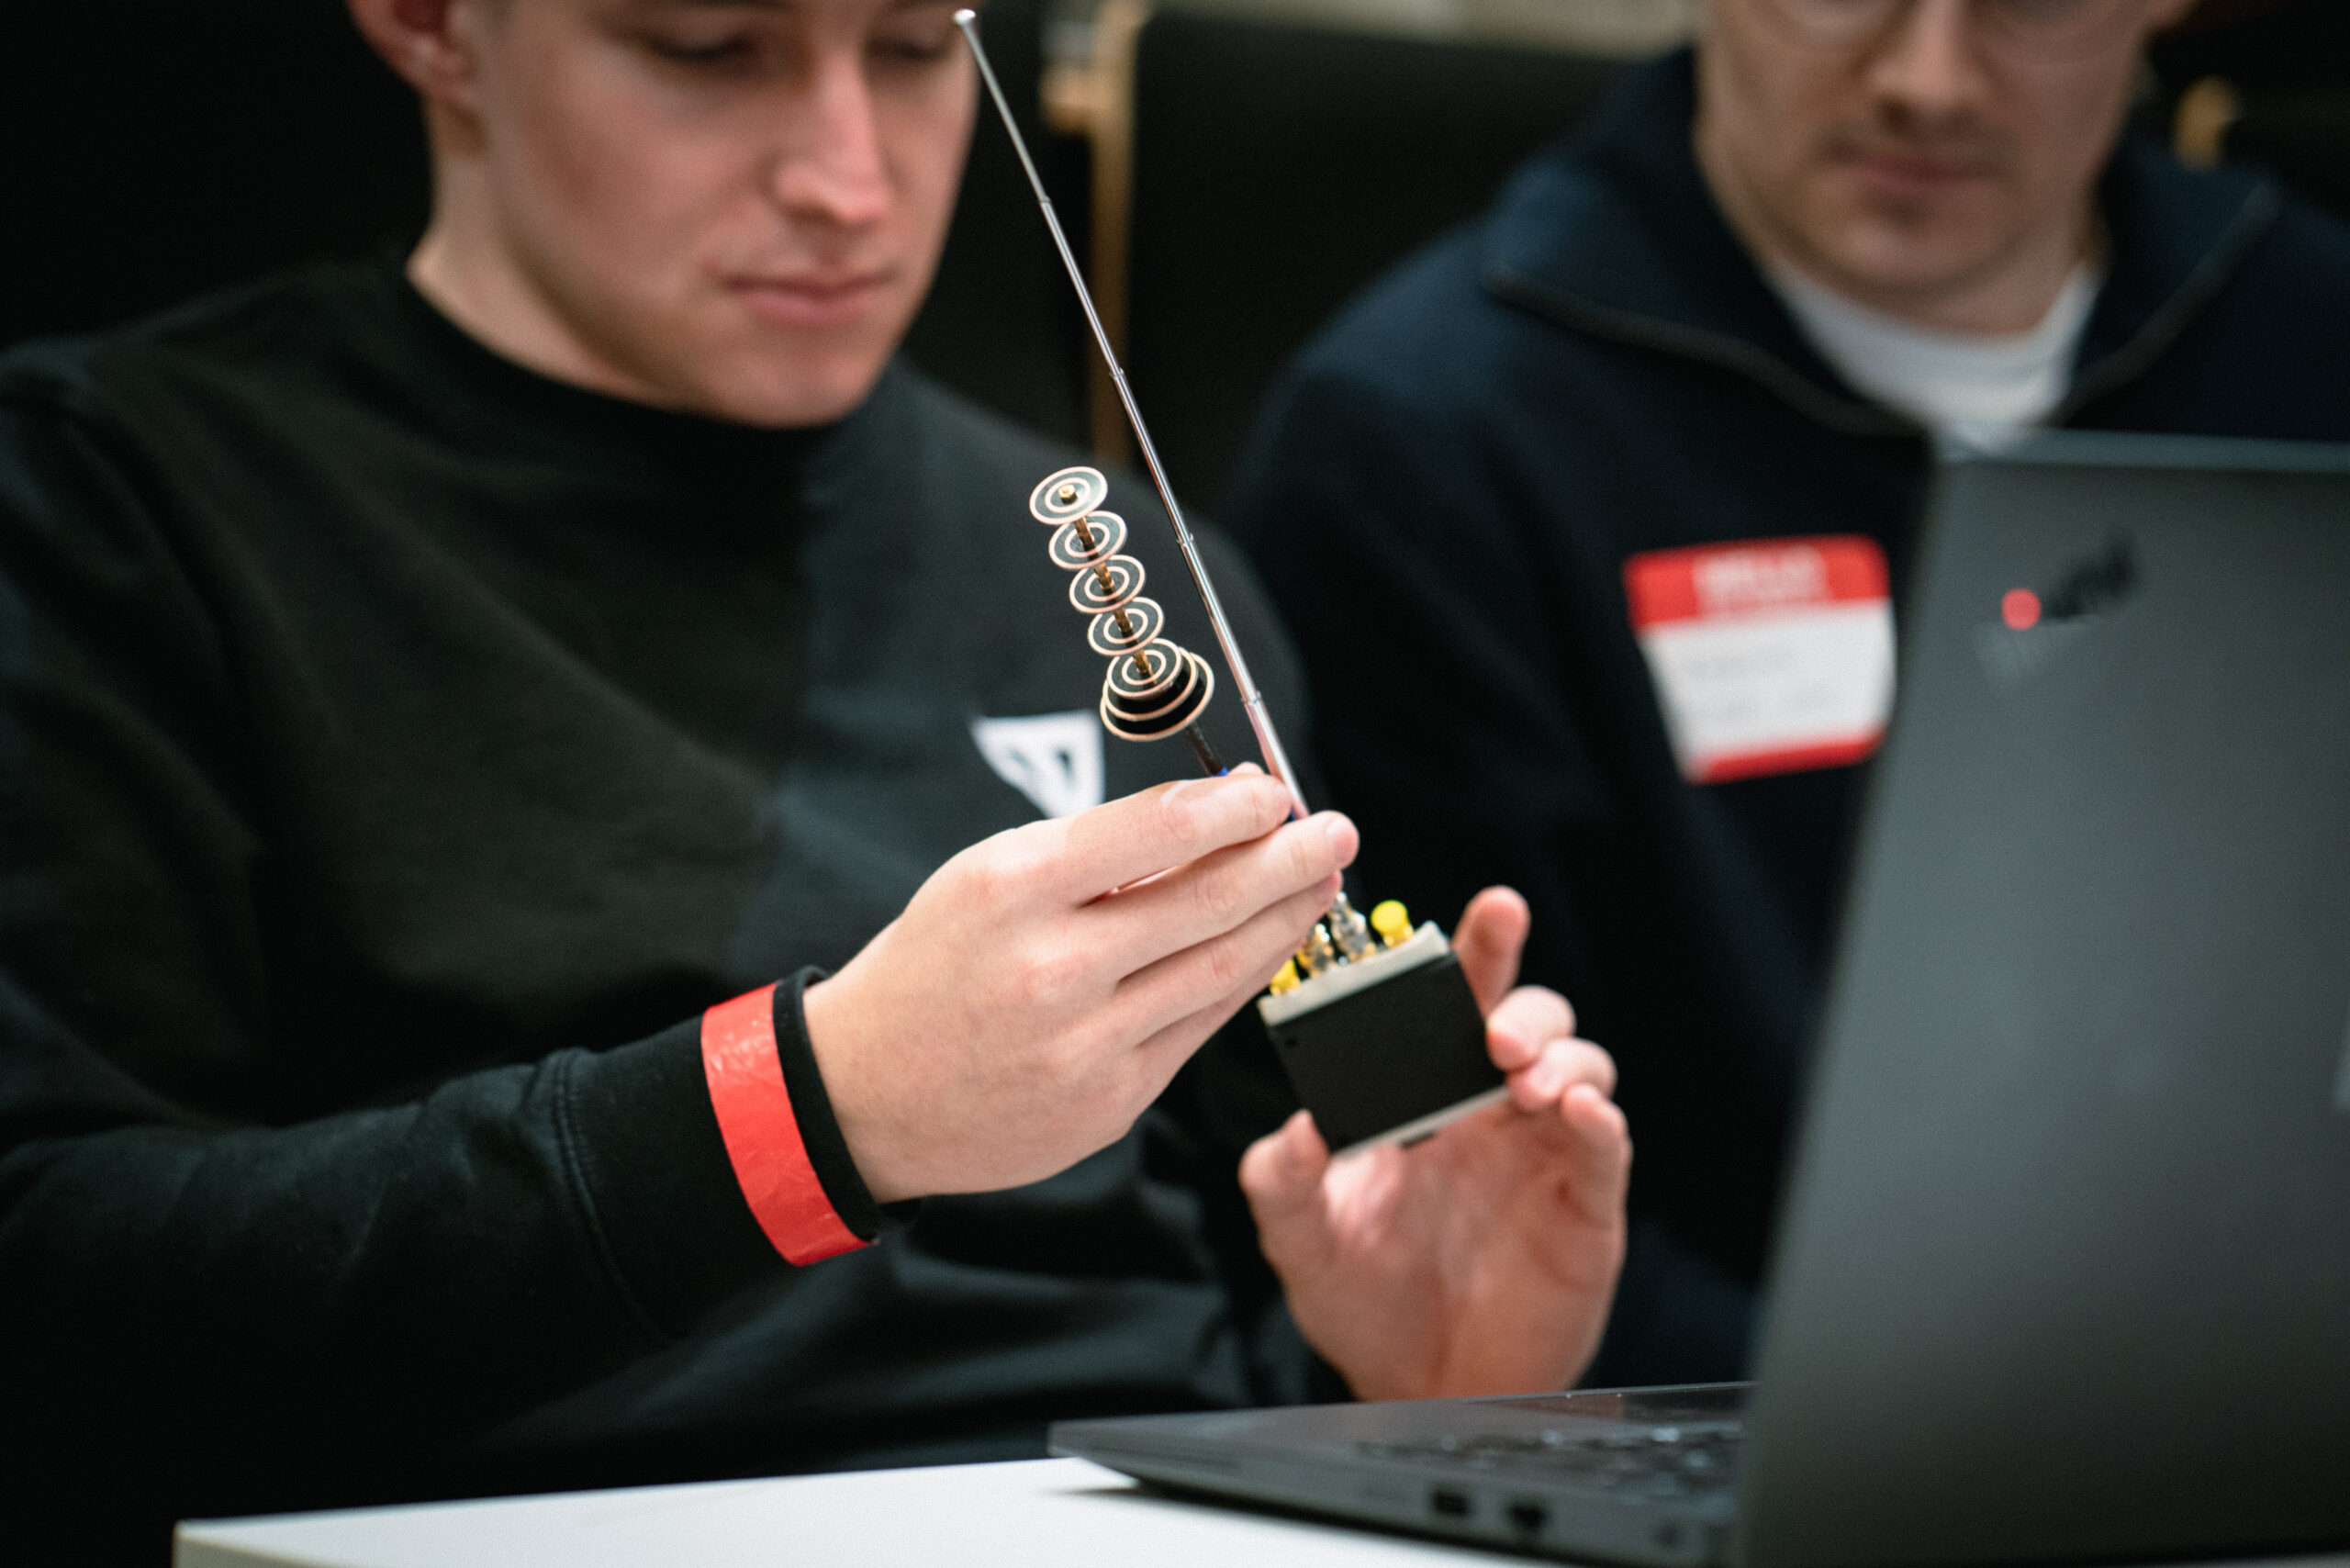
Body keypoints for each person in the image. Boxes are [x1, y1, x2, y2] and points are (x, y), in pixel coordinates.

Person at [0, 0, 1636, 1558]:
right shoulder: (121, 497)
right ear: (432, 24)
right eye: (711, 48)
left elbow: (1258, 1268)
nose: (849, 182)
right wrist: (816, 1109)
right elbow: (64, 1291)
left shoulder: (1129, 575)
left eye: (917, 48)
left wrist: (1414, 1390)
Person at [1227, 0, 2350, 1387]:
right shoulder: (1428, 437)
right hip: (1705, 1408)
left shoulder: (2312, 339)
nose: (1929, 80)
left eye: (2030, 2)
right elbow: (1420, 1192)